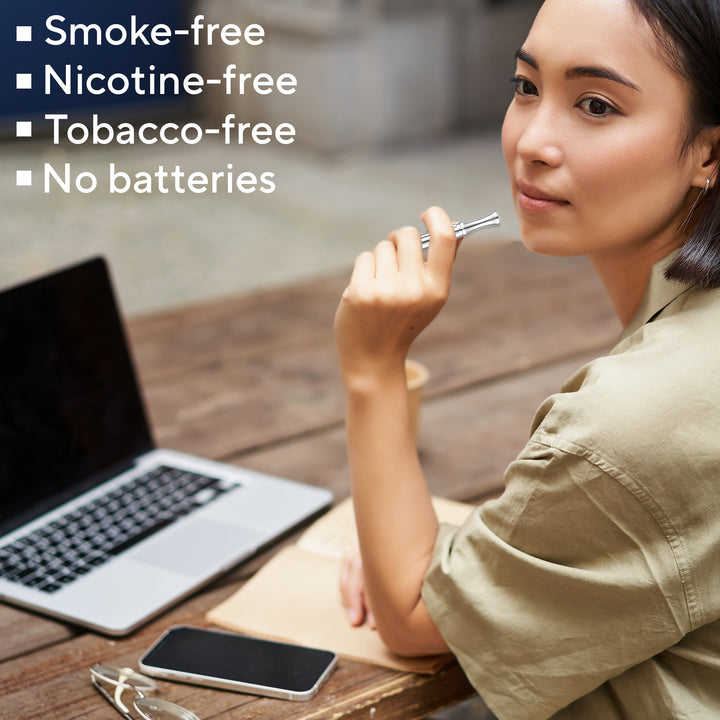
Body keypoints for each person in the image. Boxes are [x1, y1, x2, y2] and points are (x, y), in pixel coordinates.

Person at [333, 0, 720, 717]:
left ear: (710, 153)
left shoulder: (634, 419)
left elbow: (417, 616)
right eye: (526, 86)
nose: (533, 140)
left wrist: (372, 367)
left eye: (597, 105)